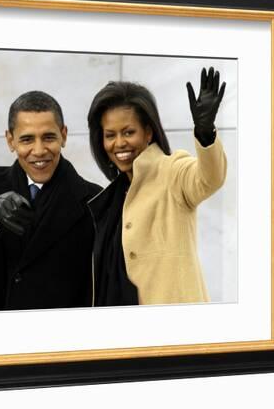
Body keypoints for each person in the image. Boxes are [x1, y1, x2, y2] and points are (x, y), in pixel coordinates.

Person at [0, 91, 101, 311]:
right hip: (0, 333)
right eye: (27, 139)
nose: (38, 151)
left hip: (64, 336)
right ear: (10, 140)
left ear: (63, 136)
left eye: (48, 137)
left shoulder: (96, 199)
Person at [87, 67, 227, 306]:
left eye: (128, 132)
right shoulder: (111, 197)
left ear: (148, 132)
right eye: (110, 135)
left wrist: (205, 132)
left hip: (175, 330)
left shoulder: (172, 171)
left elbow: (208, 179)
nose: (119, 143)